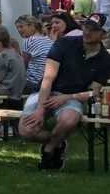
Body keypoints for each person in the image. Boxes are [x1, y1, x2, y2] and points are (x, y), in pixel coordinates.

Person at [20, 13, 110, 170]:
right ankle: (58, 143)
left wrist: (66, 98)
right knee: (26, 130)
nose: (87, 32)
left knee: (68, 121)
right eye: (86, 27)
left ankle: (48, 152)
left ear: (104, 34)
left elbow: (92, 93)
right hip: (45, 91)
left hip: (72, 98)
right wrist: (40, 109)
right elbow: (48, 78)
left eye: (94, 29)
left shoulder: (105, 60)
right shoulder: (65, 43)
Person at [16, 15, 51, 94]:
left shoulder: (29, 41)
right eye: (17, 28)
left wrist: (16, 47)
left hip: (34, 83)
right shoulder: (48, 39)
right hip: (47, 82)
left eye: (21, 27)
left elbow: (23, 65)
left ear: (31, 25)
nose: (19, 30)